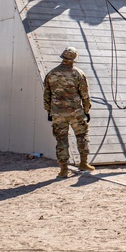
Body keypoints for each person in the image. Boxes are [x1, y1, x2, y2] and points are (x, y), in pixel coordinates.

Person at [43, 47, 95, 178]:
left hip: (57, 113)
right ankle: (83, 163)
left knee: (61, 140)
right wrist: (86, 110)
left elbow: (46, 95)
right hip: (76, 112)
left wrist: (49, 111)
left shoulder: (51, 74)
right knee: (82, 136)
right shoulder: (78, 73)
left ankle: (63, 169)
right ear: (74, 59)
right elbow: (85, 95)